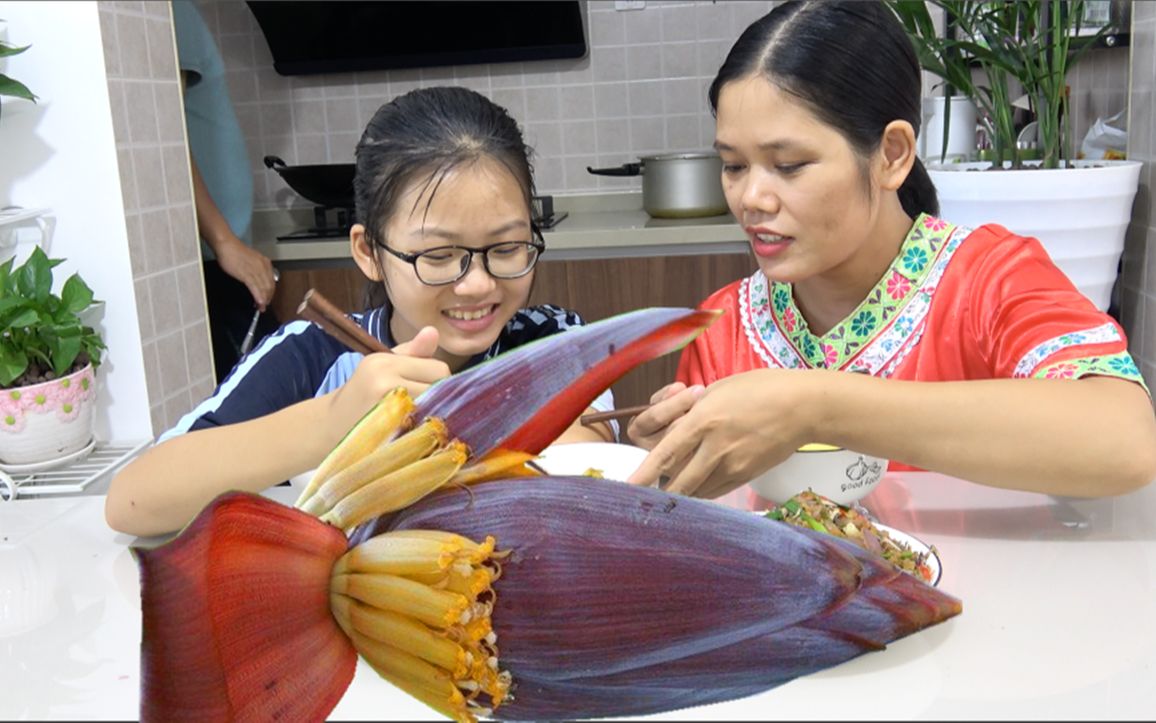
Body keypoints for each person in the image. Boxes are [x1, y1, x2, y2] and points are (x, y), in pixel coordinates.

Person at [626, 0, 1156, 502]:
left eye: (788, 166)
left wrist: (814, 406)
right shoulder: (724, 327)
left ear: (892, 155)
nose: (751, 199)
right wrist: (677, 462)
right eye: (734, 166)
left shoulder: (988, 279)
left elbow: (1125, 439)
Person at [107, 86, 616, 537]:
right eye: (437, 256)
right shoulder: (313, 354)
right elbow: (133, 501)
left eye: (507, 248)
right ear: (369, 251)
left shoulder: (554, 339)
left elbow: (593, 453)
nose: (478, 284)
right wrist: (335, 418)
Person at [172, 0, 279, 384]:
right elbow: (167, 133)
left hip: (219, 251)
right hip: (214, 254)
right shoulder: (168, 9)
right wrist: (224, 242)